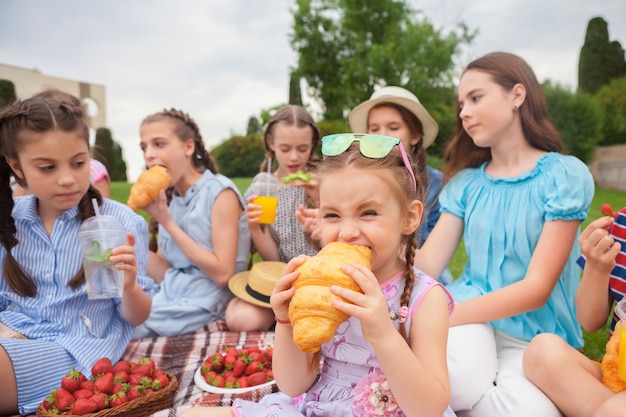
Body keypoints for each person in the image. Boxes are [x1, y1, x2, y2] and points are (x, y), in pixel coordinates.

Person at [181, 132, 456, 417]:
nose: (348, 232)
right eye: (333, 216)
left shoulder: (426, 299)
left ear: (409, 217)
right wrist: (286, 320)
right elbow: (293, 385)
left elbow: (430, 408)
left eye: (369, 213)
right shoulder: (318, 285)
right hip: (318, 406)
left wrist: (384, 334)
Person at [412, 51, 594, 416]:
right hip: (469, 318)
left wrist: (445, 314)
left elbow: (536, 289)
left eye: (475, 98)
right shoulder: (466, 183)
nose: (463, 112)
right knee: (456, 383)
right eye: (461, 104)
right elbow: (429, 261)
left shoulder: (563, 176)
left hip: (534, 334)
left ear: (517, 95)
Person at [0, 97, 152, 415]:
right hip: (10, 330)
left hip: (74, 346)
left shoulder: (122, 224)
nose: (67, 178)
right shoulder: (8, 221)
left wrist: (129, 287)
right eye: (48, 167)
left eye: (78, 163)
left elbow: (136, 318)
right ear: (16, 166)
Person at [132, 108, 250, 338]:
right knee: (110, 313)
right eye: (144, 147)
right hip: (171, 292)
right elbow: (167, 272)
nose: (149, 154)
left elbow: (223, 275)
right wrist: (128, 239)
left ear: (188, 147)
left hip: (208, 300)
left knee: (125, 328)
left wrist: (167, 222)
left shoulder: (220, 193)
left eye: (159, 144)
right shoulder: (173, 202)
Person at [225, 105, 320, 332]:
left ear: (313, 146)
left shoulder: (324, 182)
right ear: (271, 143)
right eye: (285, 149)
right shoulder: (263, 189)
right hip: (280, 281)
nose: (294, 157)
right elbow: (273, 259)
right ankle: (285, 313)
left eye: (303, 148)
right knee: (240, 319)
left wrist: (320, 202)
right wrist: (255, 229)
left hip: (319, 281)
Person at [523, 212, 626, 417]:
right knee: (542, 352)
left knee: (613, 410)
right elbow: (589, 320)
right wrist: (596, 267)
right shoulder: (621, 224)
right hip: (617, 371)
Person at [348, 86, 452, 284]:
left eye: (393, 128)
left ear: (415, 135)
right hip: (368, 272)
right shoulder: (356, 179)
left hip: (419, 276)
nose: (382, 136)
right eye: (374, 129)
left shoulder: (437, 184)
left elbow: (432, 255)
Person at [11, 88, 113, 199]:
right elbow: (15, 206)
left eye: (78, 163)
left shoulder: (94, 169)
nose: (66, 180)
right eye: (47, 167)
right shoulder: (26, 175)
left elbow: (103, 208)